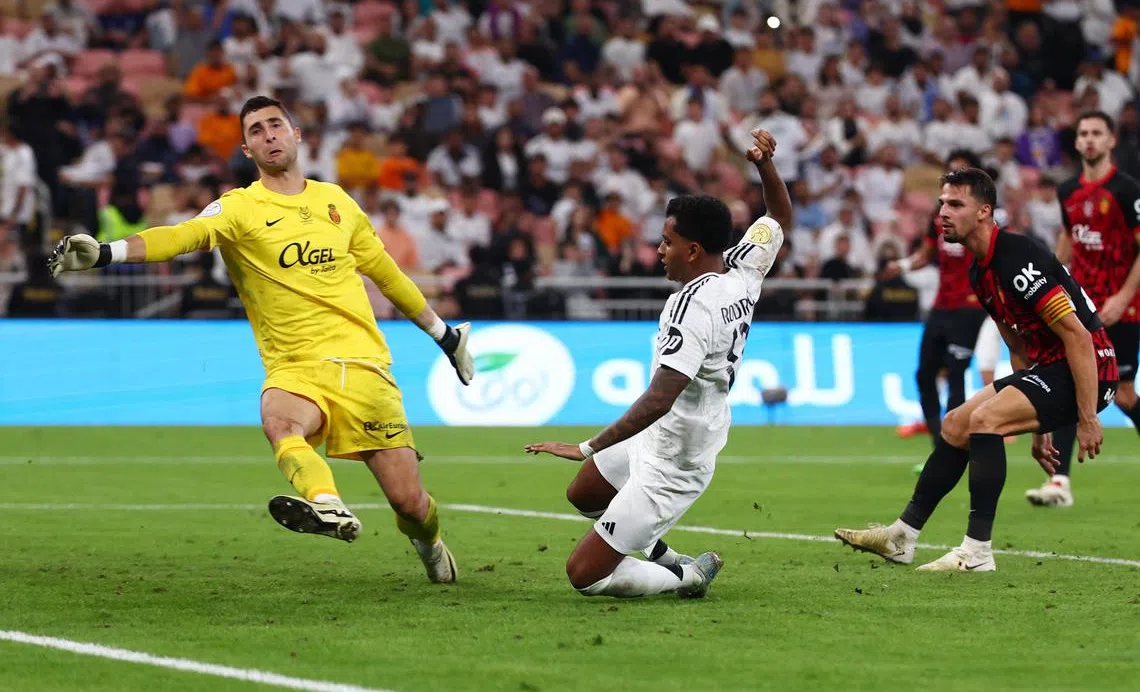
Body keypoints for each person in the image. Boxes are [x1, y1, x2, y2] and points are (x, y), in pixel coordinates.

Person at [47, 96, 473, 584]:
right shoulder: (239, 207)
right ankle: (327, 504)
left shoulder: (337, 203)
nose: (268, 135)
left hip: (364, 367)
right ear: (247, 150)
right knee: (279, 420)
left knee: (410, 503)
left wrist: (444, 335)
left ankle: (430, 544)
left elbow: (389, 276)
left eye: (275, 125)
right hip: (295, 365)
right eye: (256, 131)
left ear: (296, 135)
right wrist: (107, 252)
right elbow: (181, 236)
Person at [524, 128, 792, 598]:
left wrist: (585, 446)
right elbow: (778, 216)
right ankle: (666, 556)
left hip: (676, 459)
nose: (658, 250)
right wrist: (765, 166)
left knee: (585, 576)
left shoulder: (691, 306)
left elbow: (659, 399)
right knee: (583, 494)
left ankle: (687, 578)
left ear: (692, 250)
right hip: (665, 435)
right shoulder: (743, 268)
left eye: (667, 241)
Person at [836, 167, 1116, 572]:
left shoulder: (1017, 259)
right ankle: (901, 537)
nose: (942, 213)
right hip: (1053, 369)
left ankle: (977, 551)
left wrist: (1087, 417)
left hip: (1091, 369)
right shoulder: (980, 272)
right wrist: (1041, 426)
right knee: (954, 425)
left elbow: (1078, 337)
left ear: (985, 211)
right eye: (941, 204)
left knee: (985, 421)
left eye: (955, 204)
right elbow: (1018, 346)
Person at [1025, 111, 1140, 507]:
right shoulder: (1068, 190)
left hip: (1122, 310)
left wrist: (1123, 297)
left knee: (1124, 395)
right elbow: (1068, 238)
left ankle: (1059, 482)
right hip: (1080, 309)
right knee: (1074, 383)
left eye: (1097, 134)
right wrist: (1050, 282)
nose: (1089, 140)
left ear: (1110, 141)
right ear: (1076, 143)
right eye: (1083, 134)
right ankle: (1059, 483)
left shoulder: (1126, 191)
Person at [883, 151, 988, 452]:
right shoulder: (938, 220)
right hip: (942, 306)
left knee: (956, 374)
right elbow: (926, 256)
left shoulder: (981, 219)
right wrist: (902, 266)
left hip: (970, 306)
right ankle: (938, 444)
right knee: (924, 374)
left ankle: (954, 446)